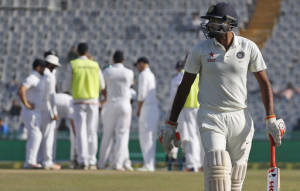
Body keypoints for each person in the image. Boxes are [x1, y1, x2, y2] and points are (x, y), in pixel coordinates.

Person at [160, 2, 285, 191]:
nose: (209, 25)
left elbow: (264, 84)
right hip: (211, 116)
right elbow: (185, 86)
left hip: (240, 118)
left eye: (214, 21)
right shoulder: (200, 50)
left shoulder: (249, 47)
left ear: (229, 23)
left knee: (236, 179)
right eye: (209, 21)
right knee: (217, 166)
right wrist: (171, 122)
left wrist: (270, 118)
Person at [65, 42, 105, 170]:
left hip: (79, 101)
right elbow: (102, 85)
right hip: (93, 101)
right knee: (92, 131)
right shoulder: (95, 65)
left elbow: (66, 86)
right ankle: (92, 160)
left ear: (77, 52)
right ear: (87, 52)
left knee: (81, 131)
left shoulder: (73, 64)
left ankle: (83, 160)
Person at [98, 50, 134, 171]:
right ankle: (117, 164)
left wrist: (107, 96)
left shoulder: (107, 71)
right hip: (124, 104)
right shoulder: (129, 72)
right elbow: (130, 85)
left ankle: (101, 163)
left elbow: (102, 87)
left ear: (113, 60)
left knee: (107, 135)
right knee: (122, 135)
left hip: (110, 104)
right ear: (123, 60)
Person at [167, 60, 204, 172]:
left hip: (187, 107)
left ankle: (193, 164)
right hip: (198, 106)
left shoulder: (181, 75)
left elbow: (175, 95)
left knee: (190, 136)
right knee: (199, 136)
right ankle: (201, 163)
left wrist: (171, 111)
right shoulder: (198, 74)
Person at [18, 59, 45, 169]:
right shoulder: (33, 78)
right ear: (38, 67)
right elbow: (21, 89)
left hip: (34, 112)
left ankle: (28, 162)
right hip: (31, 111)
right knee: (36, 135)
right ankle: (31, 161)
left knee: (33, 136)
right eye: (43, 67)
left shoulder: (38, 78)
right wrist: (27, 104)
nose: (44, 70)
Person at [134, 57, 159, 172]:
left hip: (147, 108)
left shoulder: (143, 75)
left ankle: (148, 164)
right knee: (150, 137)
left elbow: (142, 94)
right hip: (153, 108)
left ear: (142, 64)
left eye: (138, 65)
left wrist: (138, 109)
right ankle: (150, 163)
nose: (137, 67)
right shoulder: (151, 75)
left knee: (145, 136)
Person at [39, 53, 61, 170]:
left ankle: (40, 160)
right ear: (51, 65)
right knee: (48, 135)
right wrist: (55, 112)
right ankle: (47, 161)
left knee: (41, 135)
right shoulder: (50, 77)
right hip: (47, 107)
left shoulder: (41, 75)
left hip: (39, 107)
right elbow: (52, 96)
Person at [53, 93, 77, 168]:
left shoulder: (69, 100)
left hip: (54, 104)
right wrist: (75, 133)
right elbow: (72, 121)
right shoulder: (71, 101)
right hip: (53, 105)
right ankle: (73, 159)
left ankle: (48, 160)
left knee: (51, 134)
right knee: (50, 134)